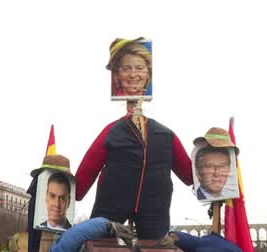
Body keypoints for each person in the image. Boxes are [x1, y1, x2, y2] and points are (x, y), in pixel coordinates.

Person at [76, 38, 192, 240]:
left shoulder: (165, 135)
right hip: (111, 209)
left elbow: (190, 175)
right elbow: (84, 176)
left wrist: (218, 173)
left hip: (154, 211)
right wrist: (65, 190)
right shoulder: (112, 132)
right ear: (117, 75)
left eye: (139, 68)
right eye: (126, 68)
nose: (133, 74)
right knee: (102, 250)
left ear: (148, 74)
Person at [193, 127, 239, 201]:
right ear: (198, 172)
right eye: (209, 166)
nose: (216, 173)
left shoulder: (228, 198)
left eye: (222, 166)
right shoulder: (192, 202)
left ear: (229, 170)